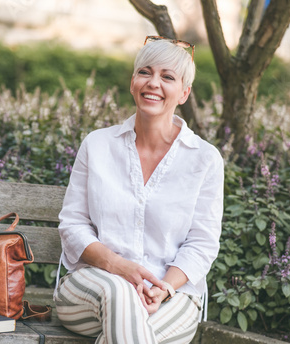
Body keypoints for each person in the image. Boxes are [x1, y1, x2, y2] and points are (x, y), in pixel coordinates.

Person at [53, 36, 224, 344]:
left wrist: (165, 287)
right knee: (120, 294)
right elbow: (73, 225)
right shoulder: (98, 145)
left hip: (172, 297)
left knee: (129, 331)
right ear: (133, 81)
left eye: (167, 77)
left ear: (184, 93)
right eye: (145, 72)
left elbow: (202, 244)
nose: (153, 83)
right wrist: (121, 268)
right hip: (89, 289)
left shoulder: (204, 159)